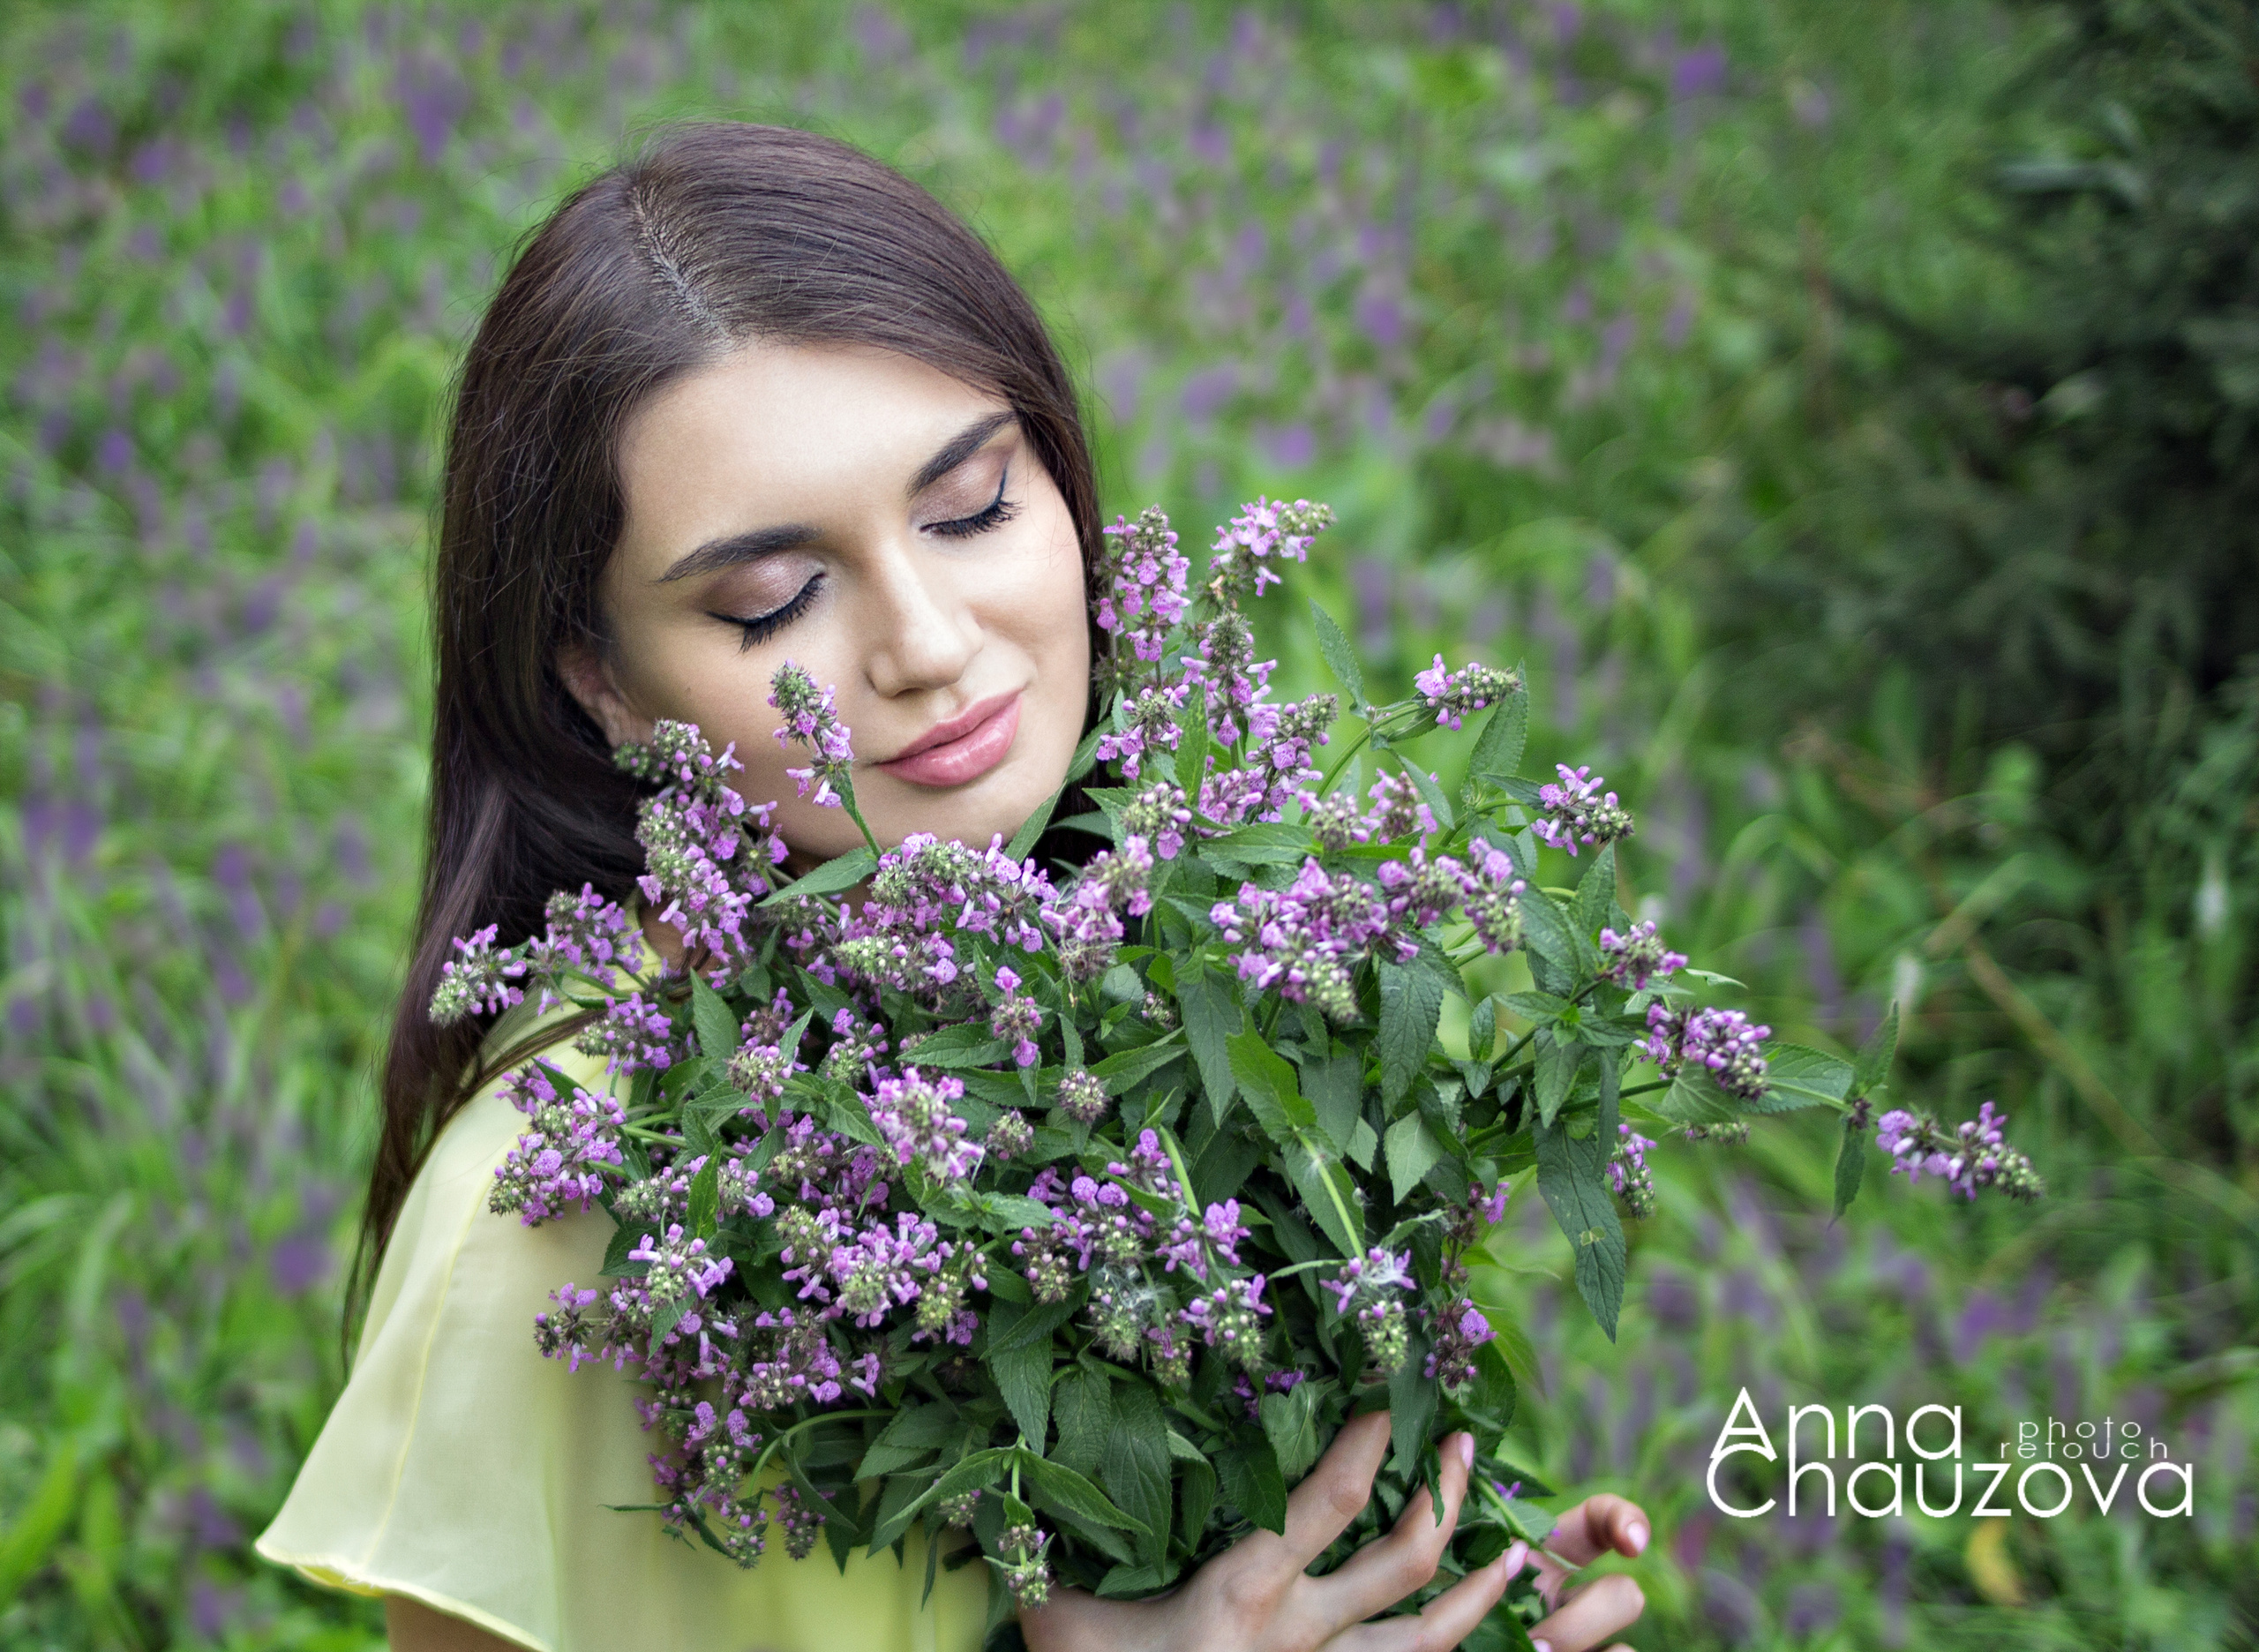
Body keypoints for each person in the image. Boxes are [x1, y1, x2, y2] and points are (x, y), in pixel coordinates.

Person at [255, 122, 1652, 1652]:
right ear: (603, 681)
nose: (926, 643)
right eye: (773, 597)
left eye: (973, 506)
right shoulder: (568, 1207)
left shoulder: (1168, 950)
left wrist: (1444, 1574)